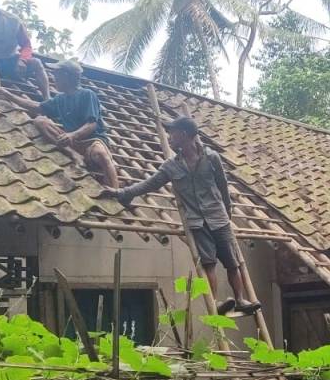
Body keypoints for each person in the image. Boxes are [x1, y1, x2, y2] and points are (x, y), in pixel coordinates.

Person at [110, 116, 258, 315]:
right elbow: (150, 184)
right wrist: (124, 193)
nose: (169, 138)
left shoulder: (211, 157)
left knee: (232, 262)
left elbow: (223, 187)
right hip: (197, 222)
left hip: (218, 217)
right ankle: (215, 304)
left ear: (184, 135)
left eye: (173, 134)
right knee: (208, 263)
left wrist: (228, 211)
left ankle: (240, 300)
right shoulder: (172, 166)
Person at [0, 59, 119, 188]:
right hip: (73, 143)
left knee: (101, 155)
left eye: (57, 75)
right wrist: (9, 95)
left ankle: (116, 190)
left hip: (92, 141)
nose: (54, 78)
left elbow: (91, 124)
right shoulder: (60, 99)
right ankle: (74, 154)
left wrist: (72, 135)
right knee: (40, 120)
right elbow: (37, 107)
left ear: (66, 76)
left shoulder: (87, 94)